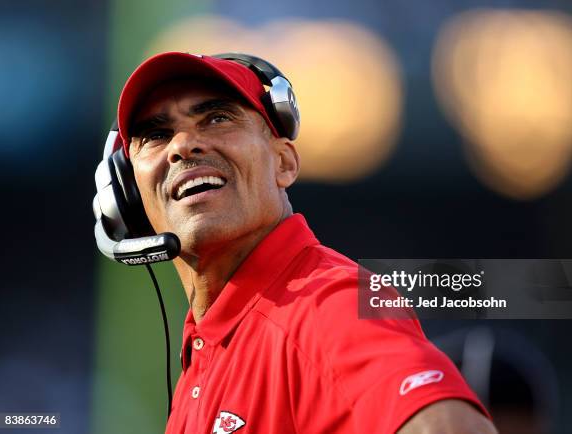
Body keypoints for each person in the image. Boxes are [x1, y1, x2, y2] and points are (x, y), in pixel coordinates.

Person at [114, 51, 497, 434]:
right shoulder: (210, 345)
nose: (183, 145)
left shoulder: (328, 303)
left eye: (217, 118)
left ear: (284, 164)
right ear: (128, 196)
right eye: (156, 135)